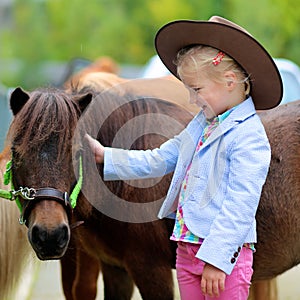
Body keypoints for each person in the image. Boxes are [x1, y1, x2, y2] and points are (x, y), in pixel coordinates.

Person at [86, 16, 282, 299]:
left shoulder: (249, 137)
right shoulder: (203, 123)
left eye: (197, 90)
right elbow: (162, 158)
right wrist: (108, 157)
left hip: (221, 258)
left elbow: (240, 205)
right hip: (187, 251)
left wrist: (217, 259)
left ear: (229, 82)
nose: (191, 100)